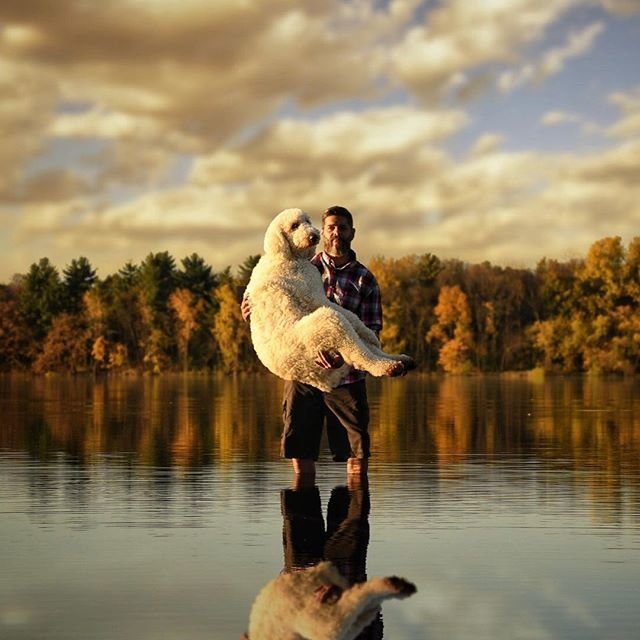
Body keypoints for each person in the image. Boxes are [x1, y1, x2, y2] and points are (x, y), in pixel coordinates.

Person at [243, 205, 395, 477]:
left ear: (352, 233)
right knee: (301, 453)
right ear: (322, 232)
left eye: (343, 227)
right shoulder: (297, 267)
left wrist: (343, 356)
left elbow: (372, 327)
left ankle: (353, 516)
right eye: (331, 227)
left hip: (347, 378)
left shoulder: (365, 278)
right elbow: (268, 301)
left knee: (356, 457)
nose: (336, 232)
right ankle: (302, 513)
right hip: (302, 373)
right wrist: (250, 308)